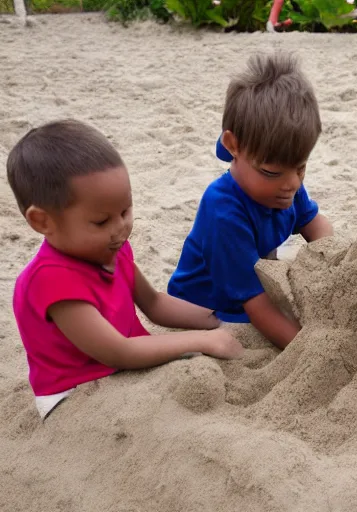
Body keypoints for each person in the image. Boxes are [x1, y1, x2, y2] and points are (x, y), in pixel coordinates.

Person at [7, 120, 244, 420]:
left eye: (125, 211)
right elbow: (116, 351)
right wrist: (201, 340)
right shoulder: (50, 280)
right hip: (76, 394)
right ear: (43, 222)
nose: (120, 229)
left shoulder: (109, 248)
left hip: (125, 367)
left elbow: (155, 303)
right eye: (101, 222)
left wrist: (218, 320)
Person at [168, 52, 334, 350]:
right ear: (234, 146)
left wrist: (333, 262)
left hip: (253, 284)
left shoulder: (285, 183)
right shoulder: (223, 211)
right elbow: (256, 305)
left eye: (301, 168)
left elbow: (314, 224)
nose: (293, 184)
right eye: (272, 172)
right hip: (210, 306)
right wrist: (307, 349)